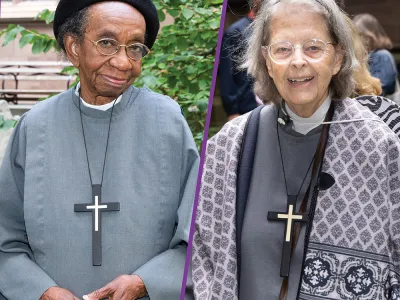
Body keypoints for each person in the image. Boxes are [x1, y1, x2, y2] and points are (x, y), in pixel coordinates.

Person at [192, 0, 400, 299]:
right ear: (266, 60)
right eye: (283, 49)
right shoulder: (228, 146)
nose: (298, 61)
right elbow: (201, 259)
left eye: (313, 47)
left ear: (338, 57)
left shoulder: (379, 146)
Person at [0, 1, 199, 299]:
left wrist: (146, 282)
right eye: (107, 43)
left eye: (135, 48)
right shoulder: (34, 126)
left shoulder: (167, 122)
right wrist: (42, 291)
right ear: (74, 47)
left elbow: (197, 235)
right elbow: (6, 242)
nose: (123, 62)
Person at [219, 0, 262, 120]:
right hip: (247, 108)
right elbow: (227, 74)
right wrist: (232, 111)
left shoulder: (278, 28)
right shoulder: (235, 31)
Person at [353, 13, 398, 97]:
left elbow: (379, 89)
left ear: (372, 32)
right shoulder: (366, 56)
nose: (358, 39)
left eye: (360, 34)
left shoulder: (383, 55)